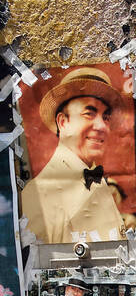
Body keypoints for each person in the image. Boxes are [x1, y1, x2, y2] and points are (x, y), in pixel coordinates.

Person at [20, 67, 128, 244]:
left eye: (106, 117)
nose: (101, 126)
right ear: (63, 122)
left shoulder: (98, 182)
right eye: (89, 114)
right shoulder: (37, 195)